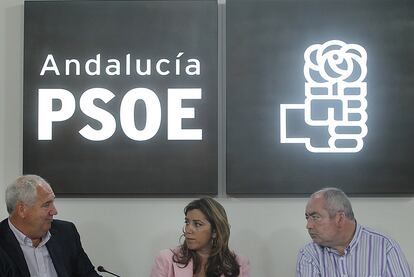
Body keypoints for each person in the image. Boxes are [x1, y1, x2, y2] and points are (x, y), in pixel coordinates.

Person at [0, 174, 102, 277]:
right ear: (22, 210)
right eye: (46, 205)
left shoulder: (66, 233)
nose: (54, 211)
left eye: (52, 202)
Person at [296, 187, 412, 277]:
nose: (308, 226)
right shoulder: (309, 254)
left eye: (316, 217)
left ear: (340, 219)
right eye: (307, 218)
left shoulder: (385, 246)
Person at [150, 197, 250, 277]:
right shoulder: (166, 259)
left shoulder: (239, 264)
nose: (188, 229)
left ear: (215, 231)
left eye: (197, 224)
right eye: (187, 222)